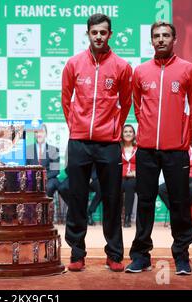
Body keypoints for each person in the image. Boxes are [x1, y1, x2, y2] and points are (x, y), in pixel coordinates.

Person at [126, 22, 192, 276]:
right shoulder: (140, 72)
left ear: (174, 39)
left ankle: (181, 256)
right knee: (145, 202)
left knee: (179, 203)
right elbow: (138, 108)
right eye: (156, 36)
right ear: (151, 41)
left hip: (176, 150)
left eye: (166, 36)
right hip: (146, 149)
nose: (161, 40)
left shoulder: (188, 70)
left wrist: (183, 139)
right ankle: (140, 256)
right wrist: (146, 131)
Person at [61, 13, 132, 272]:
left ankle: (114, 254)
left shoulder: (122, 66)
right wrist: (76, 127)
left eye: (103, 32)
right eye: (94, 32)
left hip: (109, 143)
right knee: (77, 198)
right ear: (88, 34)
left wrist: (113, 128)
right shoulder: (73, 63)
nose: (99, 36)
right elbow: (66, 99)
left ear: (110, 34)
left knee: (112, 198)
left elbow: (126, 102)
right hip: (79, 141)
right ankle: (77, 253)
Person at [158, 123, 192, 210]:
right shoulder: (182, 148)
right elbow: (176, 165)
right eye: (191, 133)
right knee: (161, 189)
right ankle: (177, 212)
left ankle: (181, 213)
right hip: (182, 178)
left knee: (191, 188)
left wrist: (185, 165)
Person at [26, 124, 60, 198]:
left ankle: (46, 208)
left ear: (46, 134)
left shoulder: (53, 150)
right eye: (37, 132)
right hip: (33, 179)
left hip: (49, 179)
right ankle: (32, 208)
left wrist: (42, 178)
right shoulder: (29, 149)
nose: (39, 134)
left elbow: (55, 171)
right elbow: (26, 168)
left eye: (41, 132)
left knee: (49, 186)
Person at [121, 124, 137, 228]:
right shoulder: (118, 148)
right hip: (120, 177)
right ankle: (116, 217)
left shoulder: (138, 149)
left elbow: (143, 164)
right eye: (125, 131)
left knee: (130, 185)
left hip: (134, 178)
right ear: (122, 134)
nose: (128, 133)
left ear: (134, 134)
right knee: (117, 186)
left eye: (130, 132)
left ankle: (127, 217)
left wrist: (136, 172)